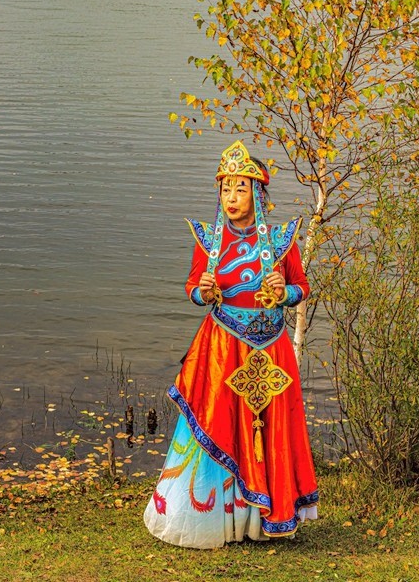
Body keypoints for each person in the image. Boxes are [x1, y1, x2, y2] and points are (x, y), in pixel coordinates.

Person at [144, 140, 318, 549]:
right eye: (226, 189)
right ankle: (216, 520)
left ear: (258, 194)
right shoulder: (208, 241)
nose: (232, 198)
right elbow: (191, 288)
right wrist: (203, 292)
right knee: (220, 424)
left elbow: (302, 287)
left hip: (270, 349)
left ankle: (260, 521)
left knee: (269, 430)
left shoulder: (281, 242)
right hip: (224, 347)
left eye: (241, 189)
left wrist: (285, 289)